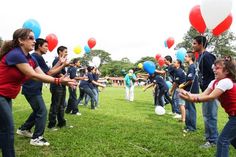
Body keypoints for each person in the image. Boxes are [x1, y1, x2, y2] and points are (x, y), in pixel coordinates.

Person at [0, 28, 76, 157]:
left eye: (34, 38)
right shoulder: (16, 54)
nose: (34, 41)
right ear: (20, 40)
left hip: (7, 95)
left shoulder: (30, 58)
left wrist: (60, 77)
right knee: (8, 129)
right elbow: (32, 75)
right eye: (31, 38)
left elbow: (43, 74)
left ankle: (23, 132)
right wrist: (58, 81)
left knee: (4, 128)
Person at [16, 38, 69, 147]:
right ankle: (36, 138)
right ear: (39, 46)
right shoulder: (37, 57)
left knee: (37, 111)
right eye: (45, 46)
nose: (47, 48)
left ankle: (24, 128)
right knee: (42, 111)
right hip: (32, 88)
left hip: (32, 88)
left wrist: (60, 62)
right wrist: (62, 65)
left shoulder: (37, 57)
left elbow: (47, 73)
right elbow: (49, 73)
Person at [179, 57, 236, 157]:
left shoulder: (226, 81)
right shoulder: (214, 82)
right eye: (214, 67)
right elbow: (203, 95)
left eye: (217, 68)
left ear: (226, 71)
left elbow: (211, 97)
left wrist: (193, 99)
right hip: (233, 117)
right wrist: (189, 94)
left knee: (223, 141)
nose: (214, 69)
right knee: (233, 140)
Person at [193, 35, 218, 148]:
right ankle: (209, 135)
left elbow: (215, 74)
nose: (193, 45)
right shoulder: (200, 57)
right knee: (206, 115)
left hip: (210, 91)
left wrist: (212, 90)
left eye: (194, 43)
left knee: (210, 115)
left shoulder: (208, 56)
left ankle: (212, 140)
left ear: (201, 44)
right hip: (205, 91)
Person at [48, 46, 70, 129]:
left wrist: (67, 79)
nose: (67, 53)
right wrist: (68, 79)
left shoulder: (63, 61)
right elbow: (57, 73)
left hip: (62, 85)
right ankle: (51, 124)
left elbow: (63, 73)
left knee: (61, 105)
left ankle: (61, 123)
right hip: (56, 85)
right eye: (65, 51)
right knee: (55, 105)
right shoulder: (57, 60)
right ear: (60, 52)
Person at [180, 51, 199, 132]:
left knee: (190, 108)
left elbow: (190, 80)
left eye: (186, 56)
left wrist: (182, 85)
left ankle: (191, 128)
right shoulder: (193, 66)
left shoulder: (191, 67)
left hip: (190, 90)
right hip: (192, 90)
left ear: (190, 57)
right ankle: (189, 126)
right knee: (189, 108)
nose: (184, 58)